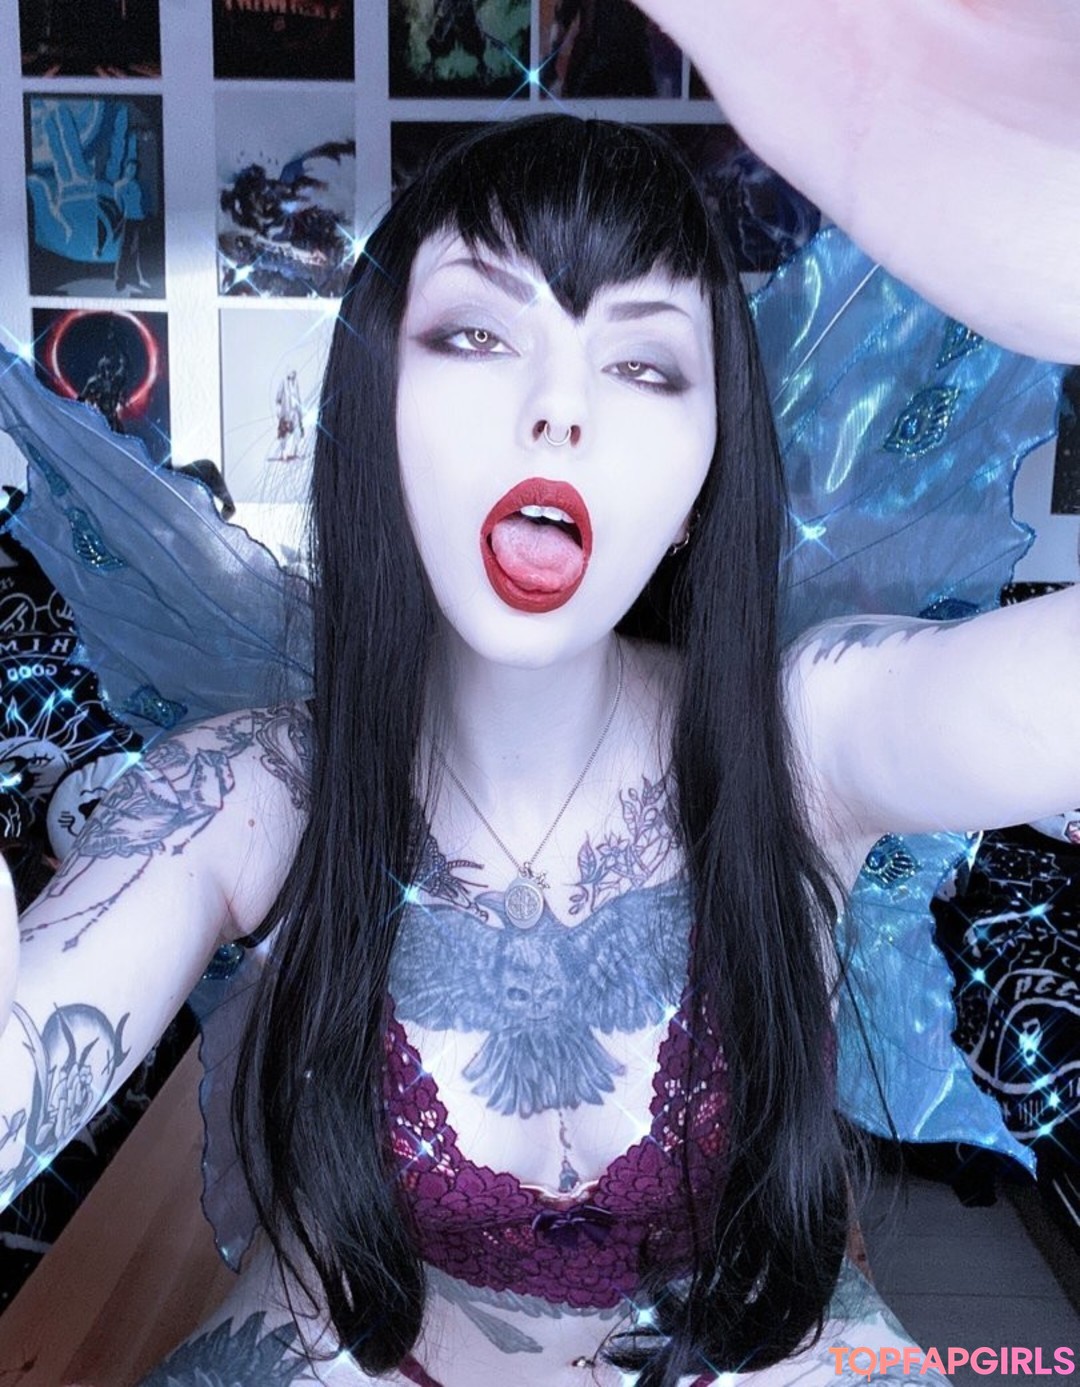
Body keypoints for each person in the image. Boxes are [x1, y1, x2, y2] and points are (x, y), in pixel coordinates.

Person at [0, 14, 1078, 1387]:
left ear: (703, 477)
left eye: (643, 364)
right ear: (375, 417)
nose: (560, 409)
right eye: (474, 334)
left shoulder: (806, 735)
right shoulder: (262, 787)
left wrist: (1047, 244)